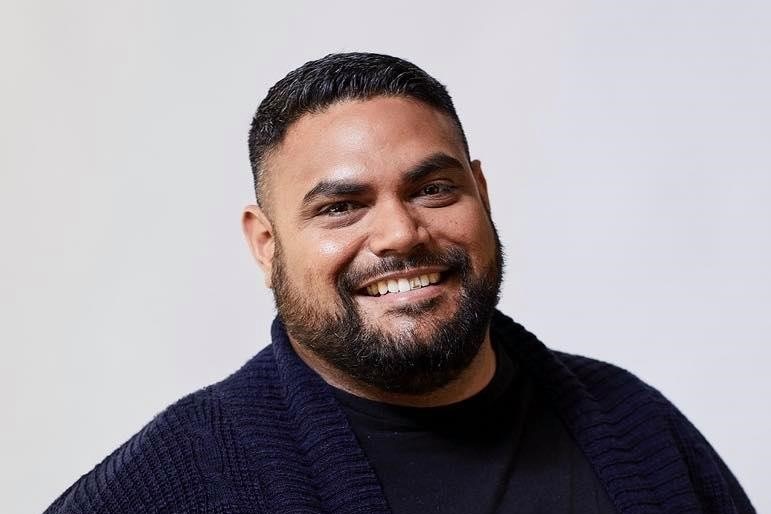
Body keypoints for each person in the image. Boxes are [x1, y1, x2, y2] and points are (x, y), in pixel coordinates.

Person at [45, 52, 755, 514]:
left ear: (480, 192)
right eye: (340, 207)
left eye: (433, 189)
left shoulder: (635, 431)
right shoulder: (173, 485)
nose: (398, 234)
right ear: (266, 244)